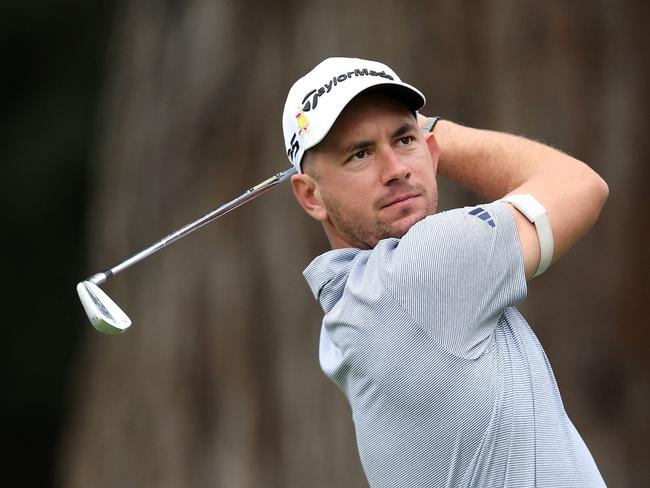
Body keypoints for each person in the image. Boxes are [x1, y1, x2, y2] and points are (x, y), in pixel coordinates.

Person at [283, 57, 609, 487]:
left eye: (404, 140)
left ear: (428, 151)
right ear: (311, 196)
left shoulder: (348, 310)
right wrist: (434, 127)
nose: (396, 169)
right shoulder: (425, 268)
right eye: (359, 154)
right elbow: (579, 184)